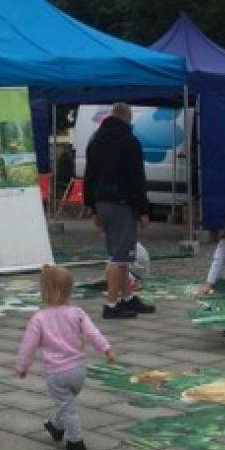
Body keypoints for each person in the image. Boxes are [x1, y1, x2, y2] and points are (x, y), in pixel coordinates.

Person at [15, 265, 116, 450]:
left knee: (68, 407)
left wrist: (22, 366)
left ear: (44, 291)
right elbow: (93, 333)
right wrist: (106, 349)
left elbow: (28, 345)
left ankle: (76, 442)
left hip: (57, 373)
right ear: (70, 290)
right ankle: (56, 427)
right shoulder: (77, 313)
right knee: (66, 402)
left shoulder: (39, 318)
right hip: (78, 371)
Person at [83, 102, 155, 320]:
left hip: (102, 203)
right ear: (128, 118)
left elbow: (89, 176)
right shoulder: (129, 142)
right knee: (121, 257)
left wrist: (92, 207)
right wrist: (143, 210)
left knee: (118, 254)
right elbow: (136, 178)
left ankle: (127, 298)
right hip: (122, 204)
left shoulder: (95, 140)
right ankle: (111, 305)